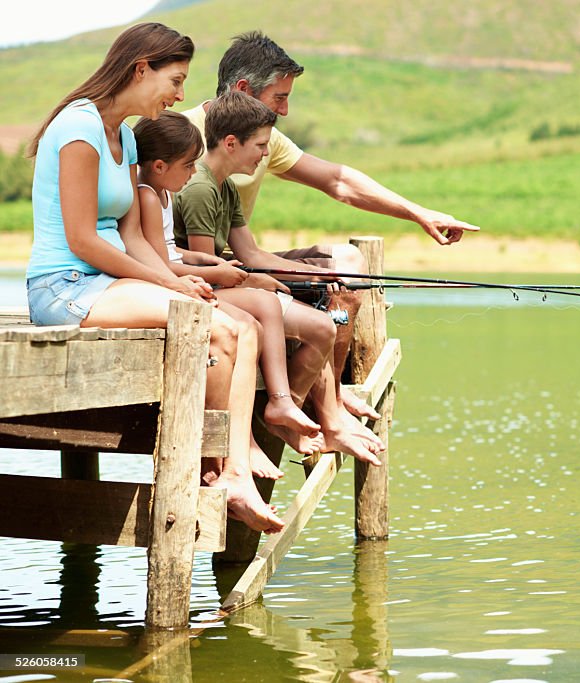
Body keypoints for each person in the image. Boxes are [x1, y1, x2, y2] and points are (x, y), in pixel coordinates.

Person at [25, 22, 282, 534]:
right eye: (176, 80)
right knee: (219, 327)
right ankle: (221, 473)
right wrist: (167, 285)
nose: (181, 96)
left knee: (235, 324)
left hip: (108, 281)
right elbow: (83, 241)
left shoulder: (123, 135)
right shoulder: (78, 129)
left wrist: (174, 278)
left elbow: (135, 238)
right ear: (141, 69)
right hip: (64, 287)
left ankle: (221, 470)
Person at [184, 31, 480, 417]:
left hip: (243, 258)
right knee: (317, 291)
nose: (286, 112)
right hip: (201, 267)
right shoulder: (183, 133)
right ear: (243, 89)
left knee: (348, 265)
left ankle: (328, 400)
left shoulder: (265, 138)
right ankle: (320, 410)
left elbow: (337, 180)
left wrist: (418, 213)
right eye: (280, 97)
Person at [174, 92, 385, 466]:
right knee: (320, 327)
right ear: (230, 143)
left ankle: (287, 410)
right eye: (260, 146)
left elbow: (252, 255)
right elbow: (209, 270)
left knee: (323, 326)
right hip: (208, 291)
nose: (264, 155)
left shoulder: (225, 186)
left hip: (233, 282)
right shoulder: (201, 189)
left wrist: (319, 275)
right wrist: (258, 283)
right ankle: (282, 409)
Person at [133, 110, 325, 473]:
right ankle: (245, 440)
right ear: (159, 166)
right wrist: (215, 269)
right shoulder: (151, 196)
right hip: (168, 288)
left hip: (186, 278)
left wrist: (214, 266)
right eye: (188, 165)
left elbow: (173, 252)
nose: (193, 172)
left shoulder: (162, 193)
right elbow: (161, 264)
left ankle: (280, 403)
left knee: (263, 308)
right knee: (255, 316)